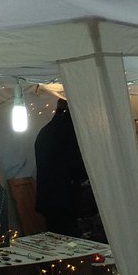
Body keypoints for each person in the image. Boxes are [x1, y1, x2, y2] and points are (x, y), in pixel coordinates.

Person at [34, 99, 88, 236]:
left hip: (48, 197)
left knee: (55, 236)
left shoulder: (47, 130)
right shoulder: (68, 131)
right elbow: (77, 165)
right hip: (63, 199)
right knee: (68, 238)